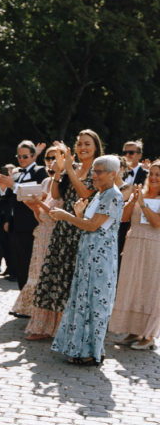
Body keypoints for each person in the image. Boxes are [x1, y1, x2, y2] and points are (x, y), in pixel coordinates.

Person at [49, 155, 124, 365]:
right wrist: (78, 214)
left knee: (94, 302)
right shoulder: (101, 195)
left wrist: (67, 216)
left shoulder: (112, 195)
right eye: (93, 171)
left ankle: (92, 352)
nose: (94, 175)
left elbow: (93, 226)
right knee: (83, 299)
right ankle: (83, 348)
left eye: (99, 172)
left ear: (113, 174)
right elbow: (89, 222)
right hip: (89, 254)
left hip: (100, 256)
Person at [28, 130, 101, 337]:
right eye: (79, 144)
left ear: (96, 147)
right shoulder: (74, 167)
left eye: (87, 144)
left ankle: (67, 331)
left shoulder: (99, 169)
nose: (83, 148)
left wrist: (69, 168)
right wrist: (60, 171)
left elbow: (86, 194)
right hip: (62, 226)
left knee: (71, 280)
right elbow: (56, 194)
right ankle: (45, 327)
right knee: (53, 277)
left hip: (81, 227)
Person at [109, 163, 160, 351]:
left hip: (155, 246)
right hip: (134, 244)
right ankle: (132, 330)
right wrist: (132, 201)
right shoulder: (140, 195)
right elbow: (123, 217)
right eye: (152, 174)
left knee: (150, 288)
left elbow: (156, 222)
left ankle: (148, 335)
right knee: (132, 286)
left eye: (158, 175)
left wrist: (143, 204)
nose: (154, 177)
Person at [12, 147, 61, 320]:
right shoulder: (46, 182)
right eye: (48, 157)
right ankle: (33, 309)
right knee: (35, 272)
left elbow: (57, 213)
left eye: (54, 157)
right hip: (42, 231)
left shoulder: (67, 181)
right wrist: (33, 205)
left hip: (58, 233)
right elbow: (40, 214)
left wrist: (39, 204)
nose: (50, 161)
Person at [0, 141, 48, 289]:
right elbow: (8, 199)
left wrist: (13, 186)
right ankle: (22, 300)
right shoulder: (16, 173)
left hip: (31, 223)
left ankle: (29, 304)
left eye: (25, 156)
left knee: (30, 263)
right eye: (19, 156)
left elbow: (35, 194)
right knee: (19, 263)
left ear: (33, 156)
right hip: (17, 225)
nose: (21, 159)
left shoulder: (40, 171)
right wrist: (3, 187)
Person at [117, 139, 147, 267]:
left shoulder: (148, 175)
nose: (127, 155)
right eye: (125, 152)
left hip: (136, 222)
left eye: (131, 152)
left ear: (140, 155)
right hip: (117, 220)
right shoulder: (117, 171)